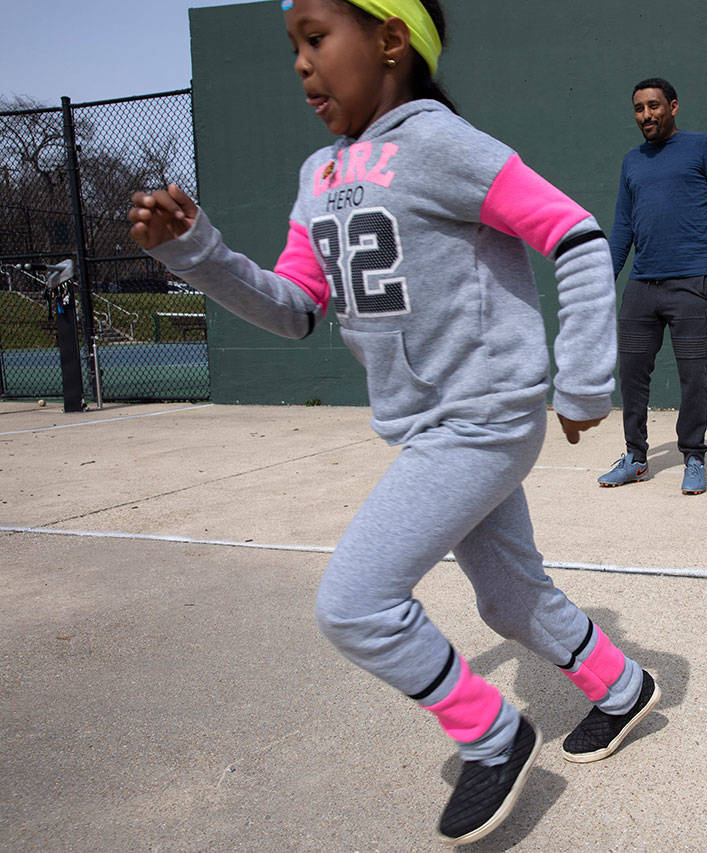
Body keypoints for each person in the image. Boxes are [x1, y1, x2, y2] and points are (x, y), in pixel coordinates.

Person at [127, 0, 659, 844]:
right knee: (510, 598)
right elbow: (296, 305)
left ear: (388, 38)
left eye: (316, 38)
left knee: (356, 602)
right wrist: (198, 253)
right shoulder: (319, 175)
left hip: (481, 415)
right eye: (292, 45)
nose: (301, 63)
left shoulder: (444, 145)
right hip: (427, 426)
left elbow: (577, 234)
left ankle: (493, 734)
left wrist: (585, 383)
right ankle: (623, 687)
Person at [598, 77, 707, 495]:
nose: (647, 115)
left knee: (693, 375)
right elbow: (622, 227)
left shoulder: (702, 147)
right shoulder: (632, 161)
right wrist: (602, 281)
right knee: (632, 373)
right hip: (642, 285)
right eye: (639, 108)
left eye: (654, 106)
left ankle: (693, 456)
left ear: (673, 107)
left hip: (692, 281)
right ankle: (636, 457)